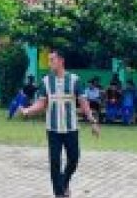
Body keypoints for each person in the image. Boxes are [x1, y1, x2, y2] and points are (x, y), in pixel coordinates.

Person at [18, 49, 99, 198]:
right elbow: (41, 104)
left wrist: (92, 121)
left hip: (71, 128)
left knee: (74, 159)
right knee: (54, 162)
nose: (49, 63)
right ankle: (59, 194)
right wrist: (27, 110)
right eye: (48, 60)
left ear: (61, 61)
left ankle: (64, 181)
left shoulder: (74, 80)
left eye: (52, 60)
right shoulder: (46, 81)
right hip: (53, 129)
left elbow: (83, 102)